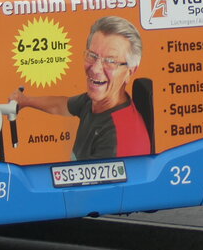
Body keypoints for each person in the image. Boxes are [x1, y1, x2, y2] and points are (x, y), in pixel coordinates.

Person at [9, 15, 151, 161]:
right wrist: (25, 101)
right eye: (92, 55)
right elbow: (60, 105)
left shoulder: (117, 142)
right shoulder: (95, 101)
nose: (95, 69)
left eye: (110, 61)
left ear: (130, 71)